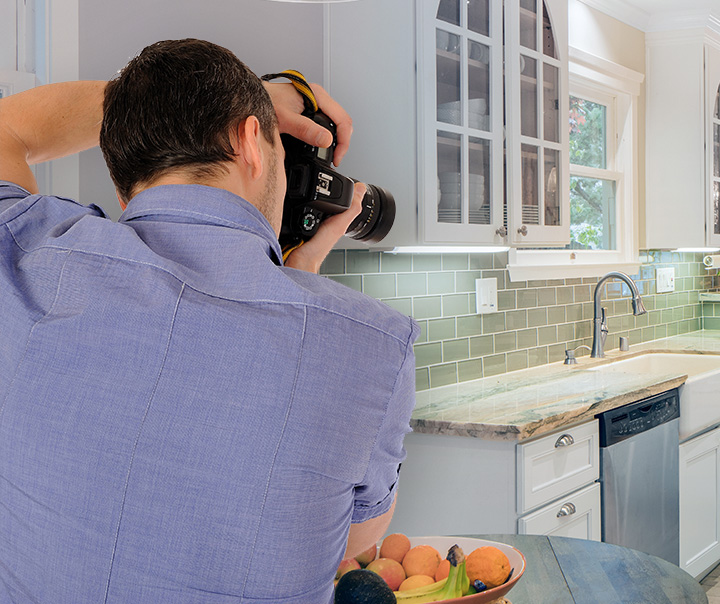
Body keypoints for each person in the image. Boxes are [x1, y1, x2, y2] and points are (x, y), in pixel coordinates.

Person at [0, 39, 416, 603]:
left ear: (120, 164)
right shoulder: (373, 344)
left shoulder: (25, 258)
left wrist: (155, 111)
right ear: (250, 141)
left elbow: (10, 128)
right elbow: (349, 538)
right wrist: (306, 280)